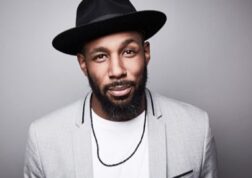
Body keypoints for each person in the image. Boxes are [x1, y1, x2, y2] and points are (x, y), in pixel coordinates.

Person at [24, 0, 218, 177]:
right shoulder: (43, 140)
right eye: (100, 56)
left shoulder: (196, 128)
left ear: (146, 52)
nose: (117, 71)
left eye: (128, 52)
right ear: (83, 64)